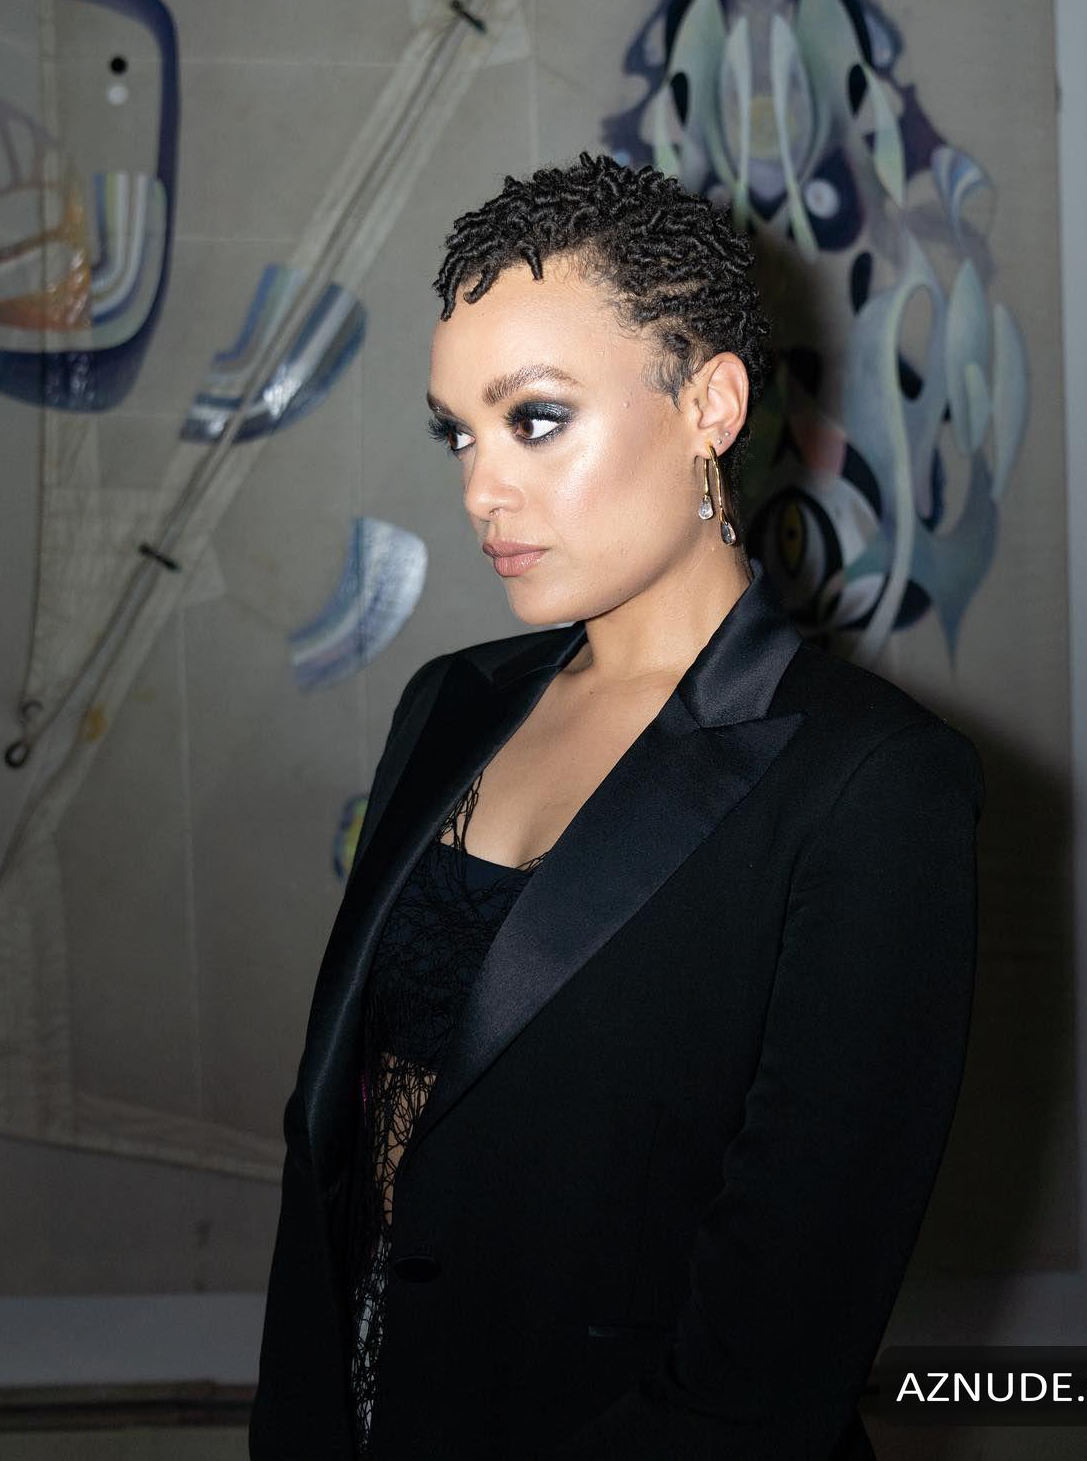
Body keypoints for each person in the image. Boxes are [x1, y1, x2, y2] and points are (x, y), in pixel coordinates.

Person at [249, 152, 983, 1461]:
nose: (480, 489)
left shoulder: (871, 784)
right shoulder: (451, 704)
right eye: (458, 433)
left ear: (709, 405)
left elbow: (772, 1356)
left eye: (534, 420)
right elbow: (342, 1158)